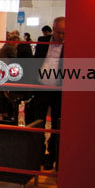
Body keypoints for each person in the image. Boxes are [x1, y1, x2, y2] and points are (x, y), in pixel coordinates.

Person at [27, 17, 65, 171]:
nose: (62, 36)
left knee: (57, 124)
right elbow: (36, 62)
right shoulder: (42, 41)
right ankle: (38, 155)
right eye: (59, 32)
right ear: (53, 30)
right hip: (41, 88)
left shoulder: (71, 44)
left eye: (65, 33)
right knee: (38, 122)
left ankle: (52, 156)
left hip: (58, 91)